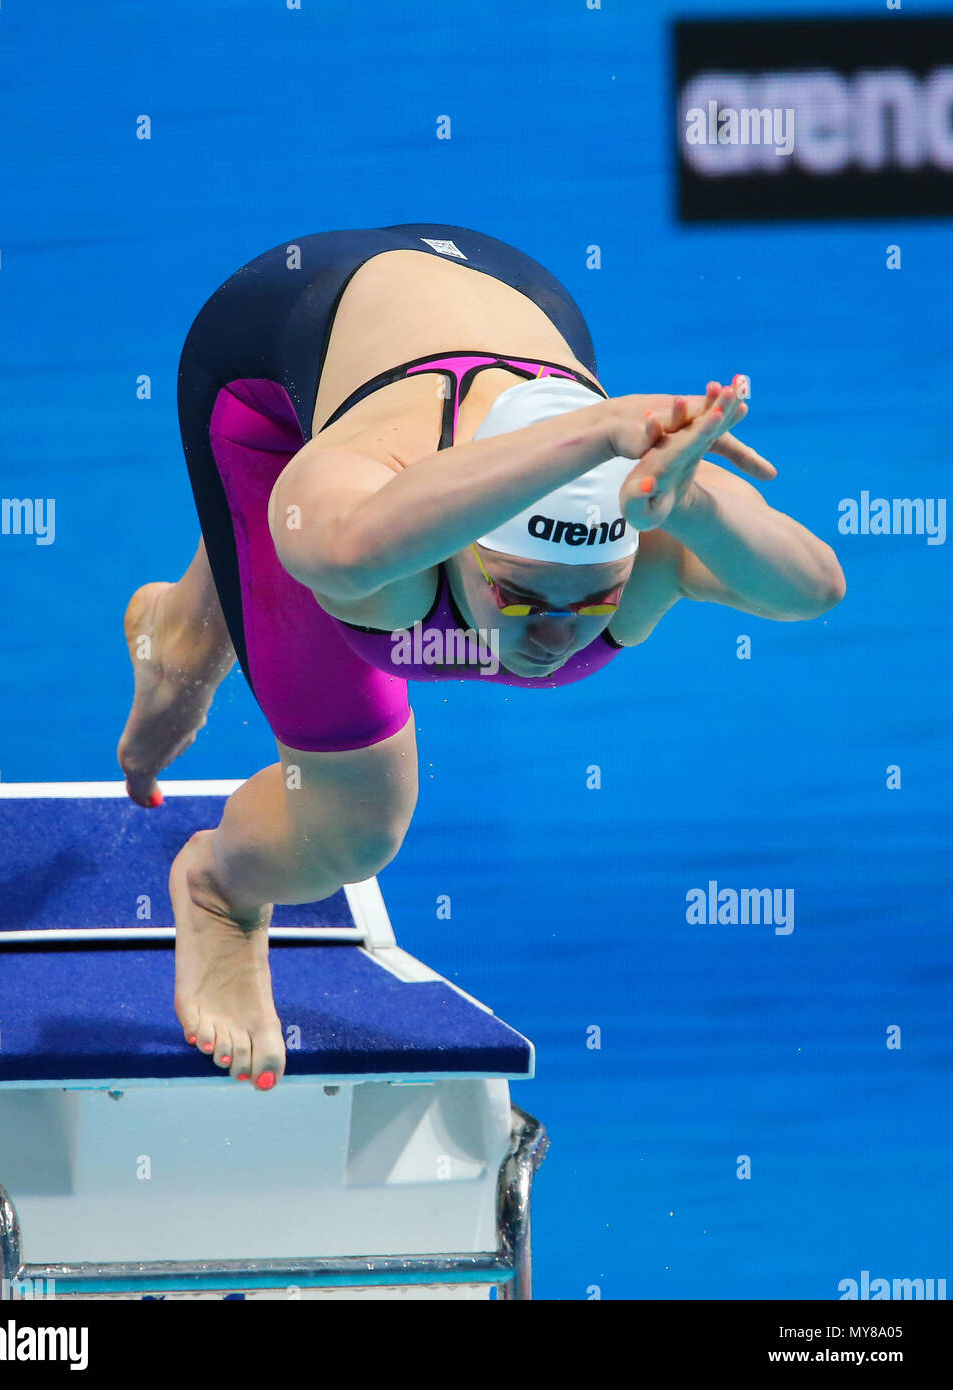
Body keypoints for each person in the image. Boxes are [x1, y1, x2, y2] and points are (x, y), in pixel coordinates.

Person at [117, 223, 845, 1091]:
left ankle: (201, 614)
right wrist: (586, 436)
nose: (552, 636)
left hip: (516, 297)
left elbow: (816, 590)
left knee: (273, 582)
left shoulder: (648, 515)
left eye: (590, 600)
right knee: (348, 822)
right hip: (278, 338)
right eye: (524, 595)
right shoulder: (366, 533)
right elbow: (335, 541)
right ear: (455, 549)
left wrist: (696, 514)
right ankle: (218, 889)